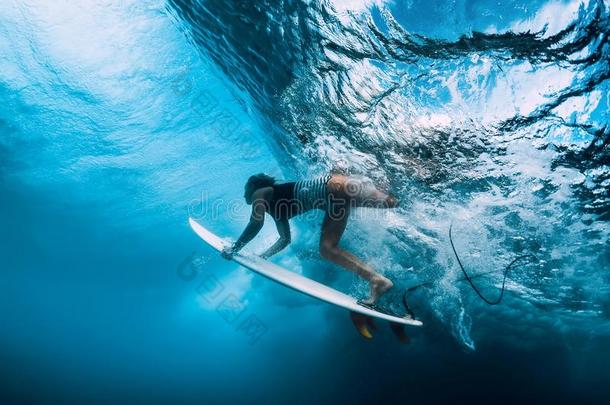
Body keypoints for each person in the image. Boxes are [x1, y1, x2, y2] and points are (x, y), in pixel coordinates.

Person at [221, 173, 400, 305]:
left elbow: (255, 223)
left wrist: (235, 248)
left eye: (246, 189)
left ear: (252, 186)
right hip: (340, 188)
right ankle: (395, 174)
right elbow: (284, 240)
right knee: (394, 202)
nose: (245, 193)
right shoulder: (277, 210)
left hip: (333, 190)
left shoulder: (259, 192)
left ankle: (377, 280)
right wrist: (263, 257)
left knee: (327, 249)